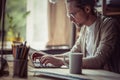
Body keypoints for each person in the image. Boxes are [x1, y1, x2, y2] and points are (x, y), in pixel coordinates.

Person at [31, 0, 120, 73]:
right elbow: (73, 54)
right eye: (69, 15)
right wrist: (49, 57)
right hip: (92, 75)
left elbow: (98, 60)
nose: (70, 19)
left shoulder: (109, 25)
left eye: (73, 14)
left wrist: (60, 61)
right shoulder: (84, 28)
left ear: (87, 9)